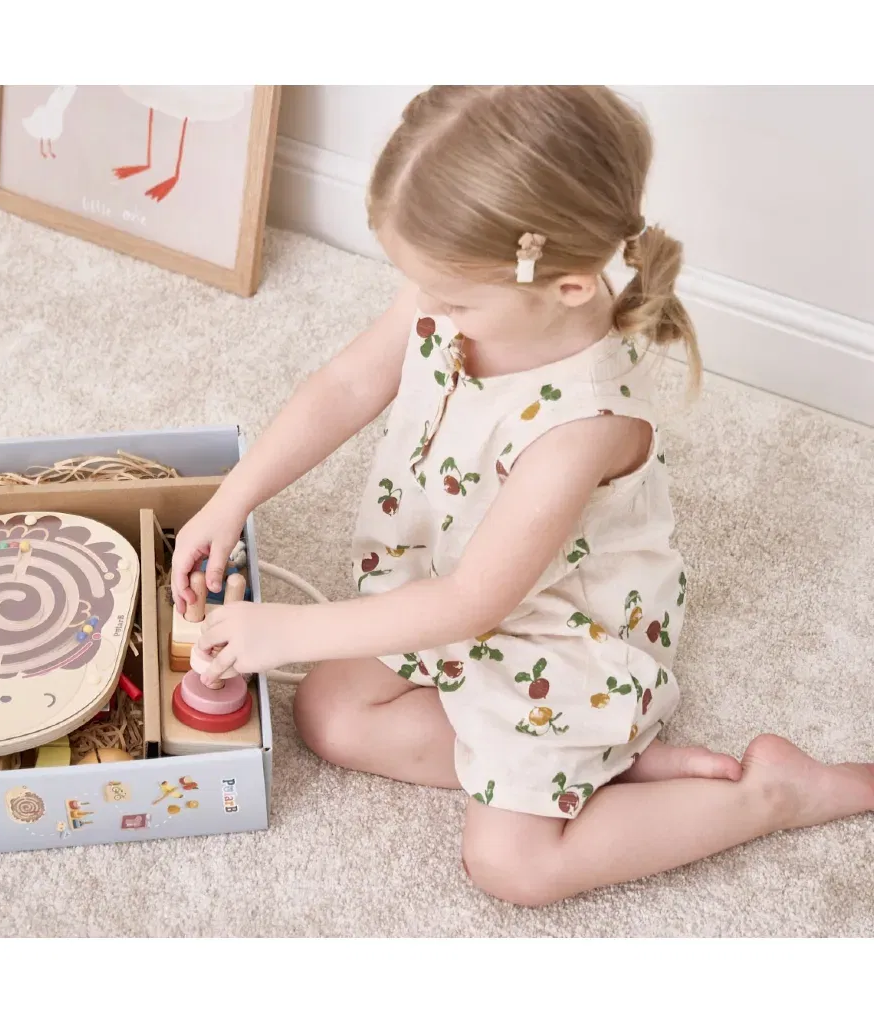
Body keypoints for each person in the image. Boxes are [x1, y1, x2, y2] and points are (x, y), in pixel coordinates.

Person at [171, 86, 874, 906]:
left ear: (567, 287)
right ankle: (604, 766)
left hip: (556, 623)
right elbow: (347, 384)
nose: (427, 310)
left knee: (512, 866)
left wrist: (286, 629)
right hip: (450, 576)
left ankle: (768, 795)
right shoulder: (459, 285)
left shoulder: (583, 423)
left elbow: (475, 602)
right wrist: (233, 498)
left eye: (449, 299)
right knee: (329, 715)